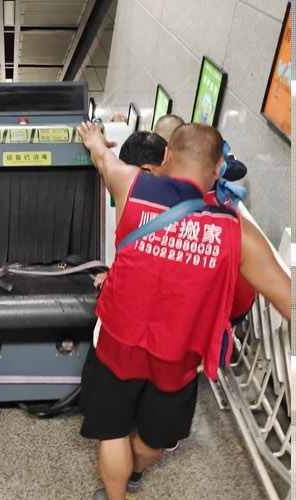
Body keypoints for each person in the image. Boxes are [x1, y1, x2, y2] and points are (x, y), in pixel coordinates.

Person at [75, 122, 290, 500]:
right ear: (217, 169)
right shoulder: (236, 232)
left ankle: (116, 492)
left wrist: (93, 138)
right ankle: (136, 471)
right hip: (179, 357)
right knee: (156, 440)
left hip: (117, 343)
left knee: (112, 432)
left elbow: (103, 158)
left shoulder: (130, 185)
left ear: (167, 157)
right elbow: (286, 297)